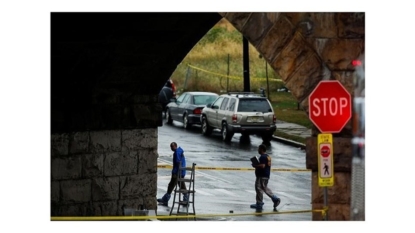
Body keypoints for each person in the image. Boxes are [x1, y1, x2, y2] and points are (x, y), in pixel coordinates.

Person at [250, 144, 281, 211]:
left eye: (258, 149)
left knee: (259, 188)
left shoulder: (263, 157)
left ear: (261, 149)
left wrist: (255, 165)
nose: (258, 150)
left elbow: (263, 166)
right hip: (266, 175)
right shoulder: (267, 156)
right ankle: (272, 199)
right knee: (263, 188)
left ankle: (260, 203)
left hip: (262, 175)